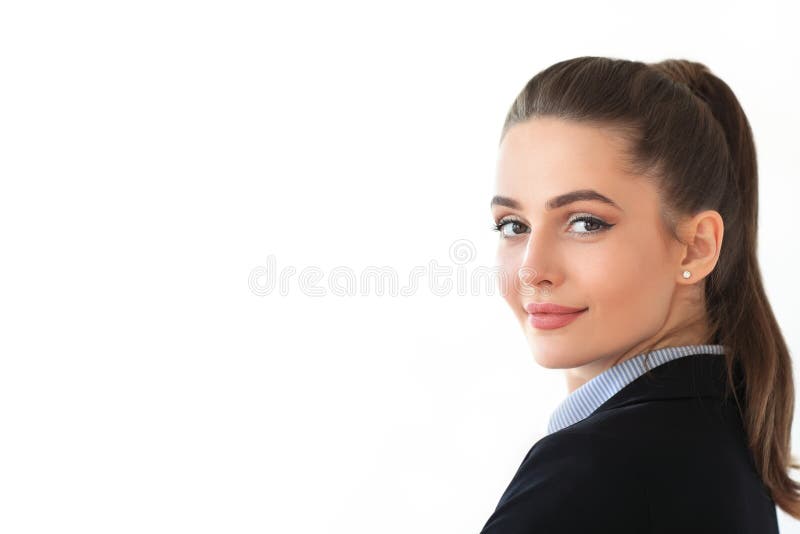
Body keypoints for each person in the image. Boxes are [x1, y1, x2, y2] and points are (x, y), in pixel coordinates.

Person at [479, 56, 800, 532]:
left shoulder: (593, 469)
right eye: (514, 225)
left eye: (586, 222)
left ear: (695, 247)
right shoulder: (720, 435)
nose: (532, 269)